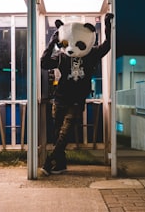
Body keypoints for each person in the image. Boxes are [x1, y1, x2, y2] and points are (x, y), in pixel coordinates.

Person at [40, 13, 114, 175]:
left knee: (64, 134)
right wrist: (53, 41)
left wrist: (108, 25)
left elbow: (108, 45)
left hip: (75, 102)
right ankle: (60, 164)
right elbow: (44, 63)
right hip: (59, 100)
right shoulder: (62, 56)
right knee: (58, 134)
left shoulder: (92, 54)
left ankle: (49, 162)